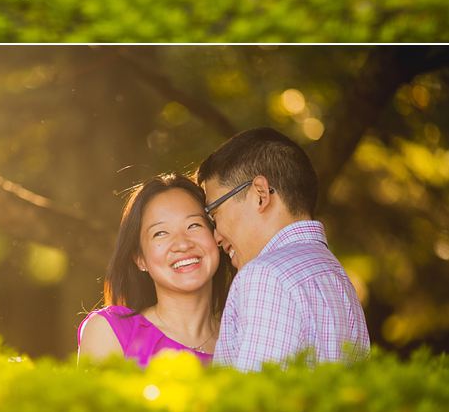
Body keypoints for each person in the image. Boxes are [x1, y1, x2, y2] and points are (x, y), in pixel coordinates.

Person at [197, 127, 370, 371]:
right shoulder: (338, 277)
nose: (216, 236)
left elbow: (255, 402)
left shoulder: (265, 276)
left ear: (260, 194)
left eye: (215, 214)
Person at [78, 174, 230, 367]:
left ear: (216, 236)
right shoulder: (111, 331)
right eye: (160, 233)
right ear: (140, 259)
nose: (182, 244)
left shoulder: (242, 340)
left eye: (194, 225)